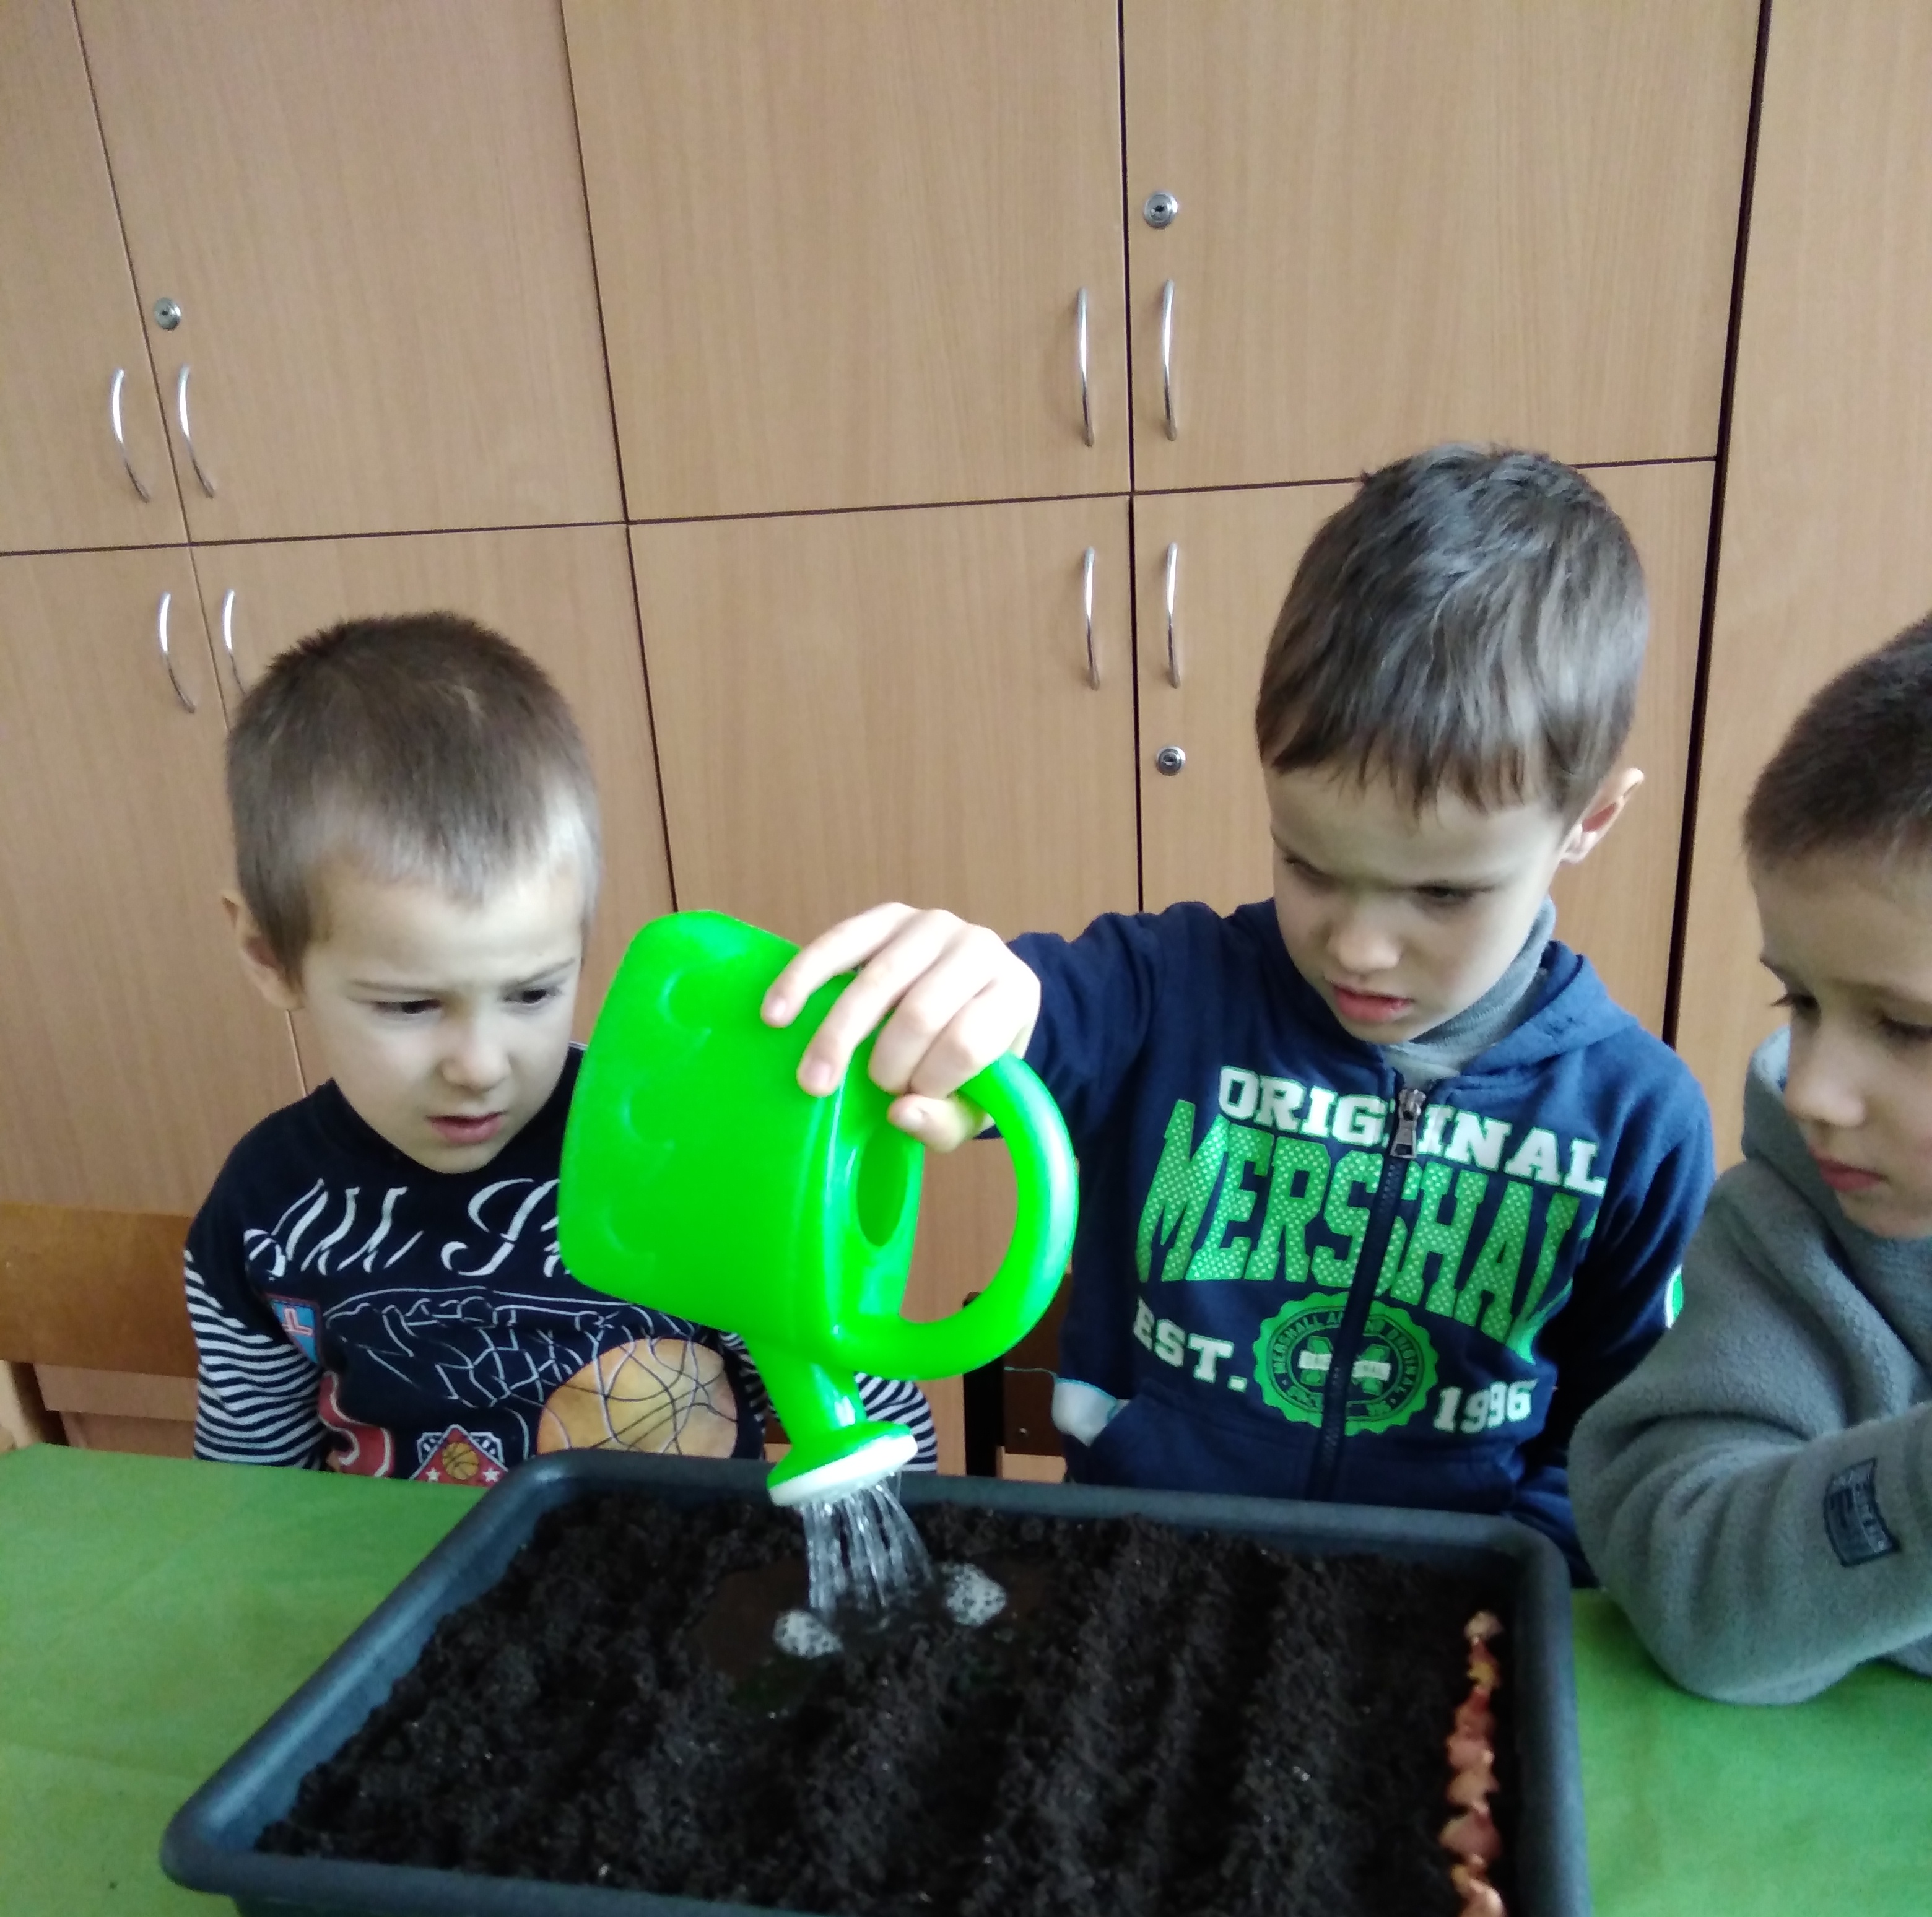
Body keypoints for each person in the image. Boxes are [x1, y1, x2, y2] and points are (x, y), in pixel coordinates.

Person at [762, 446, 1713, 1568]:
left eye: (1445, 894)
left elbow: (1616, 1441)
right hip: (1139, 1567)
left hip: (1439, 1610)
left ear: (1591, 819)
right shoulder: (1161, 993)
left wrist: (1523, 1581)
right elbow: (1029, 1021)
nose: (1357, 947)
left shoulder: (1638, 1121)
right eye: (1308, 864)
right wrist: (973, 998)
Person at [188, 612, 935, 1485]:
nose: (480, 1066)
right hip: (404, 1571)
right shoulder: (264, 1207)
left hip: (678, 1566)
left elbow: (874, 1428)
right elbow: (248, 1489)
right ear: (269, 956)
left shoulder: (686, 1157)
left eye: (532, 993)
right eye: (410, 1006)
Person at [1573, 614, 1932, 1700]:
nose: (1812, 1088)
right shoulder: (1792, 1230)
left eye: (1908, 1029)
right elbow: (1683, 1576)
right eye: (1802, 1002)